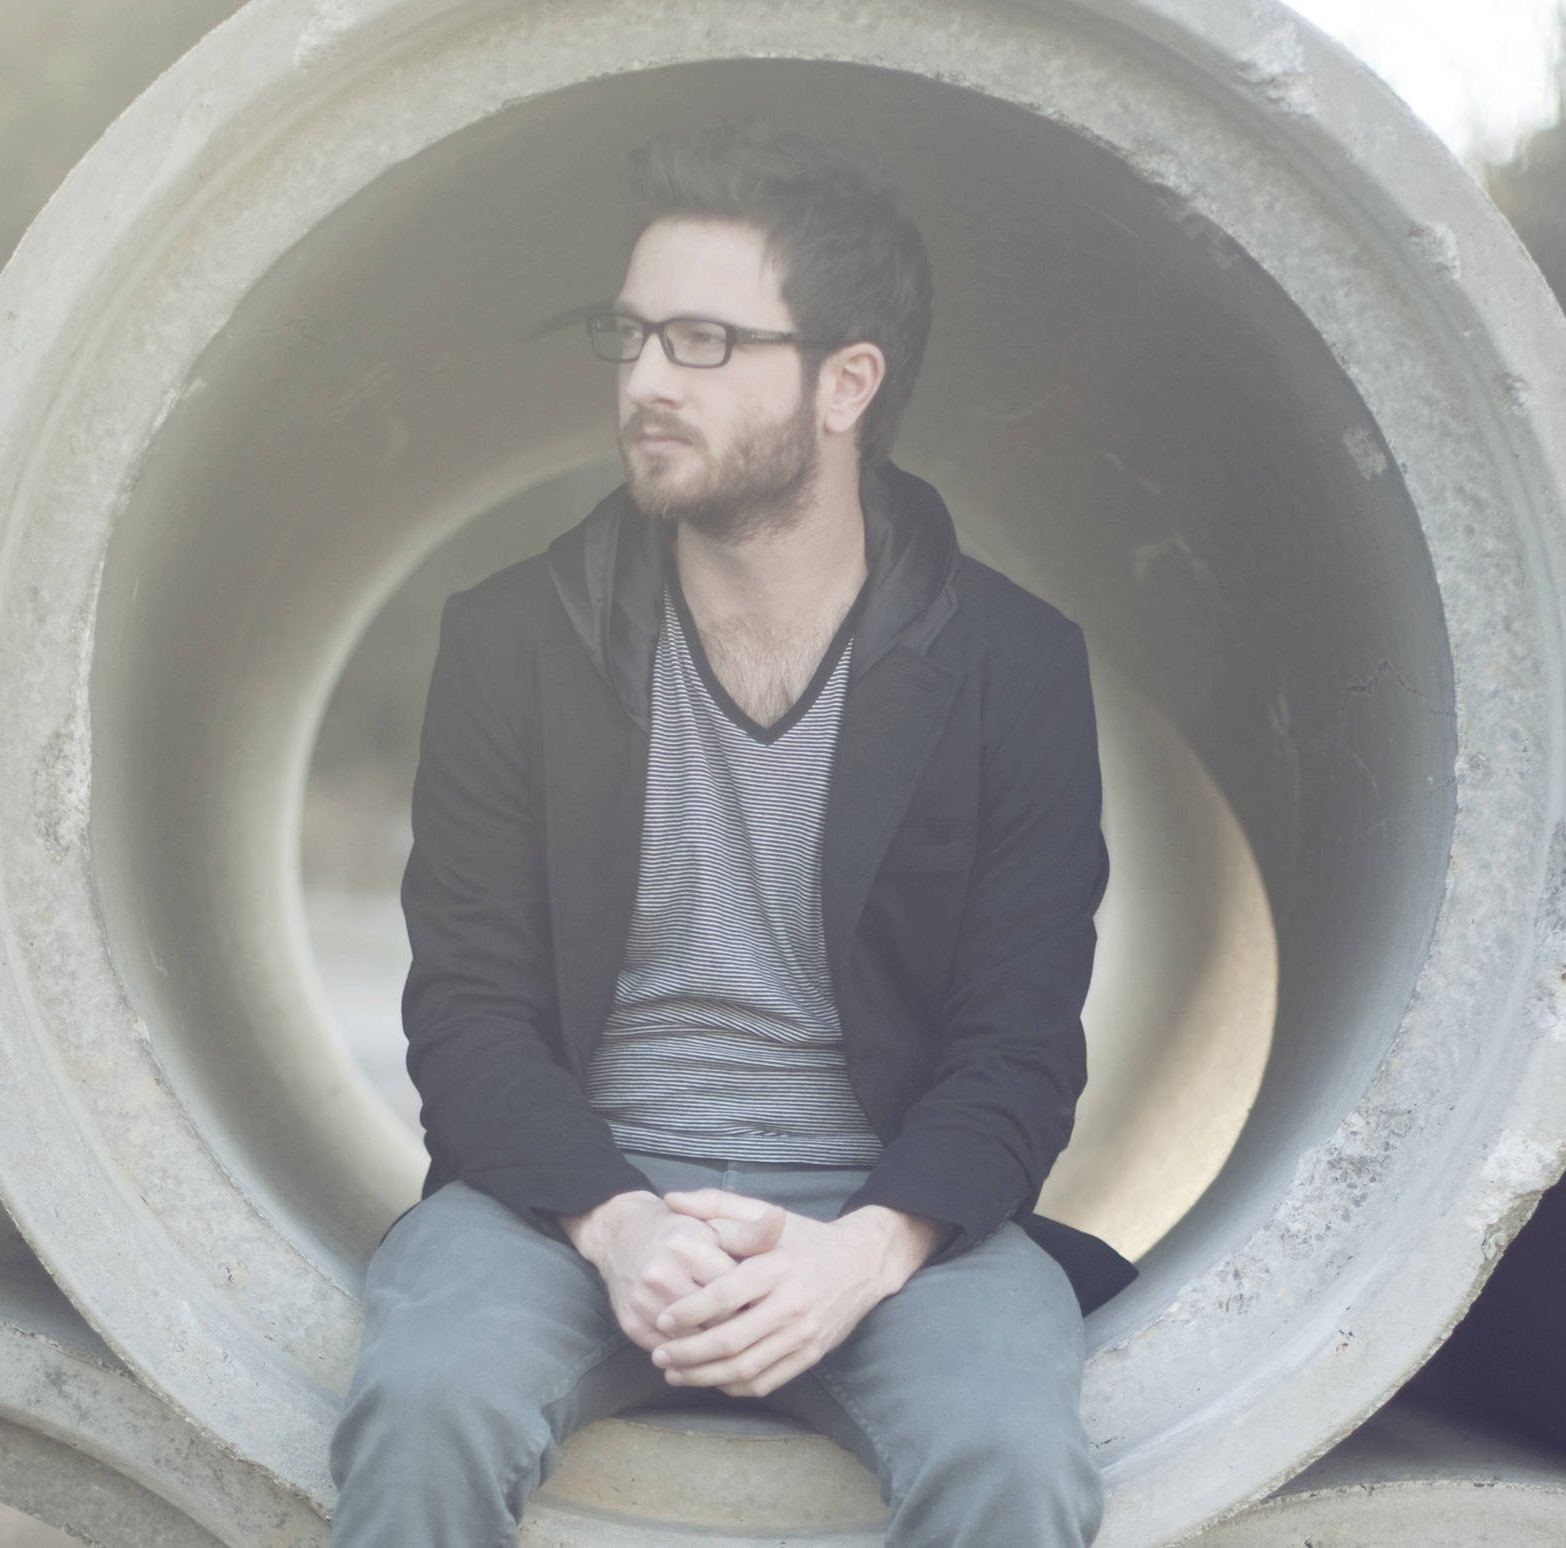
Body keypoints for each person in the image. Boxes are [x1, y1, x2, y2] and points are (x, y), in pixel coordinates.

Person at [329, 118, 1134, 1548]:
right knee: (426, 1400)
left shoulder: (1010, 666)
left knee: (1010, 1459)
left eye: (702, 341)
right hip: (563, 1203)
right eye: (630, 334)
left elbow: (1017, 1046)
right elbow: (464, 1011)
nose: (645, 380)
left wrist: (863, 1255)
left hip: (886, 1216)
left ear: (846, 383)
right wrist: (617, 1223)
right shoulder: (513, 640)